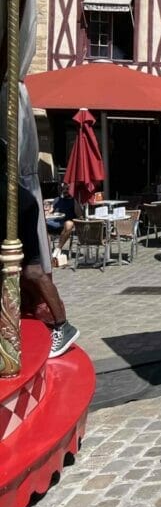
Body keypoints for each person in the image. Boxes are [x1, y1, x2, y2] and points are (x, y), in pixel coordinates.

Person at [0, 145, 80, 357]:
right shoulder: (14, 186)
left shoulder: (8, 189)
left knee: (32, 271)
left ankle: (63, 326)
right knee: (31, 271)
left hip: (19, 210)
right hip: (24, 206)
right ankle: (62, 326)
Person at [45, 181, 80, 261]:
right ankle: (46, 250)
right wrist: (47, 212)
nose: (65, 191)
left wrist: (76, 201)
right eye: (63, 189)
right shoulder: (57, 200)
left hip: (67, 222)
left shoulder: (73, 201)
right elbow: (50, 211)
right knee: (42, 224)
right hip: (55, 221)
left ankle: (58, 248)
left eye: (67, 189)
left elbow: (79, 215)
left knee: (69, 224)